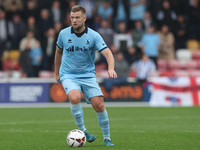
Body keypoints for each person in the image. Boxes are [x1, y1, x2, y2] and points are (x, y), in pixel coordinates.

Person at [54, 5, 117, 146]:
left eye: (77, 18)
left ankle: (107, 138)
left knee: (99, 105)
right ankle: (83, 131)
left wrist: (111, 68)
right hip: (68, 74)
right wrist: (57, 72)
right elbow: (58, 53)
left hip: (87, 75)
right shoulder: (63, 34)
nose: (74, 20)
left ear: (84, 18)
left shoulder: (94, 35)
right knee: (75, 97)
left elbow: (108, 53)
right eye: (72, 18)